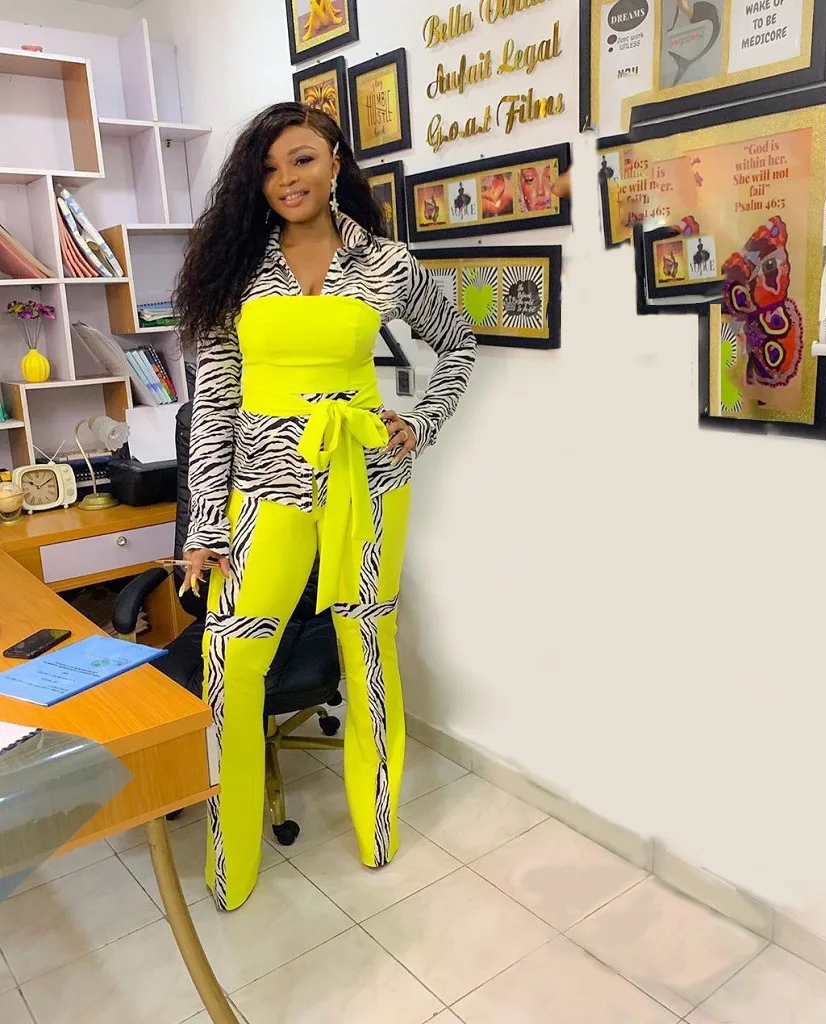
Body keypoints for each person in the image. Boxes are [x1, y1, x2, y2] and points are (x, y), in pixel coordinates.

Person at [174, 102, 476, 912]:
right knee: (231, 662)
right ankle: (232, 859)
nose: (286, 180)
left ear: (335, 162)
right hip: (263, 490)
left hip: (363, 483)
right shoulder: (236, 268)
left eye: (301, 160)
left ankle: (376, 829)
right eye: (269, 168)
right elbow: (214, 403)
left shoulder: (384, 262)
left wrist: (419, 423)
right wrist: (205, 524)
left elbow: (457, 341)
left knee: (366, 648)